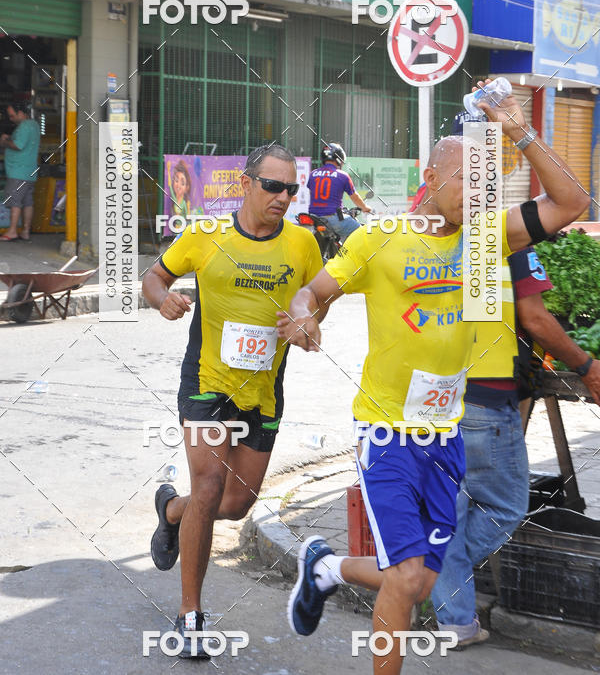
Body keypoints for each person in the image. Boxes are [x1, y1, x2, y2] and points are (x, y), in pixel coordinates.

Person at [276, 83, 589, 675]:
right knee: (406, 577)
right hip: (388, 430)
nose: (478, 194)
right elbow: (314, 291)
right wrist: (303, 319)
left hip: (443, 432)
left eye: (485, 182)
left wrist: (520, 131)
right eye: (466, 179)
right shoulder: (380, 239)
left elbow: (571, 202)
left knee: (418, 580)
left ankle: (325, 567)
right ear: (430, 175)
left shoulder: (486, 239)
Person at [141, 143, 322, 658]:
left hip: (264, 390)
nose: (283, 197)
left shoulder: (303, 244)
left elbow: (316, 308)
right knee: (209, 486)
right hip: (207, 383)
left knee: (236, 504)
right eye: (273, 186)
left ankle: (171, 512)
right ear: (246, 184)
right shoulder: (205, 235)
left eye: (291, 188)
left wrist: (308, 326)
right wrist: (165, 300)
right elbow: (155, 276)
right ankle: (191, 614)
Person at [432, 243, 600, 646]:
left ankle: (452, 614)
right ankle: (427, 572)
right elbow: (536, 318)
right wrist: (586, 365)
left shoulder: (429, 240)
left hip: (431, 398)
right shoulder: (507, 241)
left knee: (448, 513)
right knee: (505, 506)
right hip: (485, 401)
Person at [308, 142, 371, 242]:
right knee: (361, 233)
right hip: (333, 219)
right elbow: (354, 197)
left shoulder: (313, 174)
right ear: (339, 159)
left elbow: (312, 194)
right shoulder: (342, 175)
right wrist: (365, 208)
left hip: (313, 218)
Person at [0, 103, 41, 242]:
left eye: (13, 115)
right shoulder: (34, 125)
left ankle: (12, 231)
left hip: (18, 171)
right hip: (29, 171)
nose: (11, 119)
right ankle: (25, 231)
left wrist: (5, 141)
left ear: (21, 113)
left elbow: (18, 145)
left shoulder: (24, 126)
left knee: (15, 202)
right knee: (27, 202)